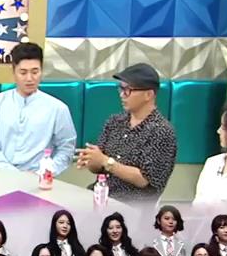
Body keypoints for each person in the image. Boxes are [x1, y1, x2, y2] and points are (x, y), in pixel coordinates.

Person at [76, 63, 177, 202]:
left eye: (128, 90)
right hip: (100, 195)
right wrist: (92, 160)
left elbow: (144, 179)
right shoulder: (114, 122)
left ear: (148, 94)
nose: (122, 95)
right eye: (121, 89)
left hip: (133, 204)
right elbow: (99, 167)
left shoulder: (162, 131)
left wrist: (106, 161)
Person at [0, 42, 77, 174]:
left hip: (38, 177)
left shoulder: (58, 108)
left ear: (41, 71)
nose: (29, 78)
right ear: (14, 72)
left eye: (35, 72)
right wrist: (12, 173)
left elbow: (66, 149)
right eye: (23, 73)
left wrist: (44, 172)